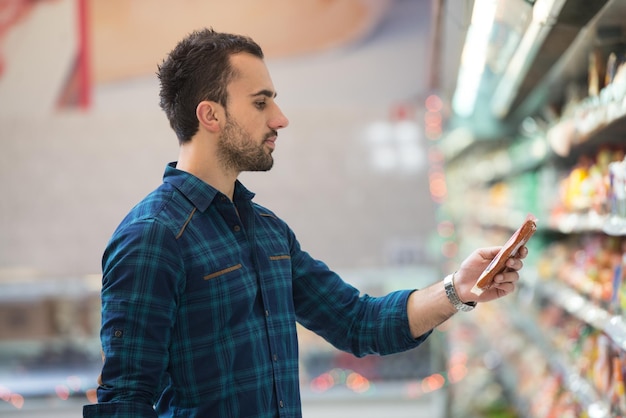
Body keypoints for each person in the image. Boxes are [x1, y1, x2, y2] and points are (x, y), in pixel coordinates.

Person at [82, 28, 527, 418]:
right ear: (210, 115)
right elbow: (124, 401)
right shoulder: (153, 237)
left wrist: (457, 289)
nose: (280, 119)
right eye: (261, 102)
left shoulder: (268, 232)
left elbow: (358, 322)